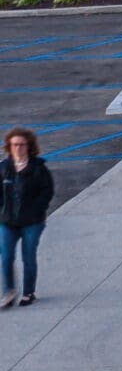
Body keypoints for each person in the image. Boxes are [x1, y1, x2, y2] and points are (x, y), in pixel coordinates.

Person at [2, 126, 54, 311]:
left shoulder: (38, 168)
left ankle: (28, 292)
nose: (18, 148)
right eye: (14, 145)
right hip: (8, 222)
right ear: (9, 146)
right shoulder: (4, 168)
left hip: (32, 222)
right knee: (6, 257)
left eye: (22, 145)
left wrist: (36, 211)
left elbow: (47, 192)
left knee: (28, 257)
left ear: (29, 146)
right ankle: (8, 292)